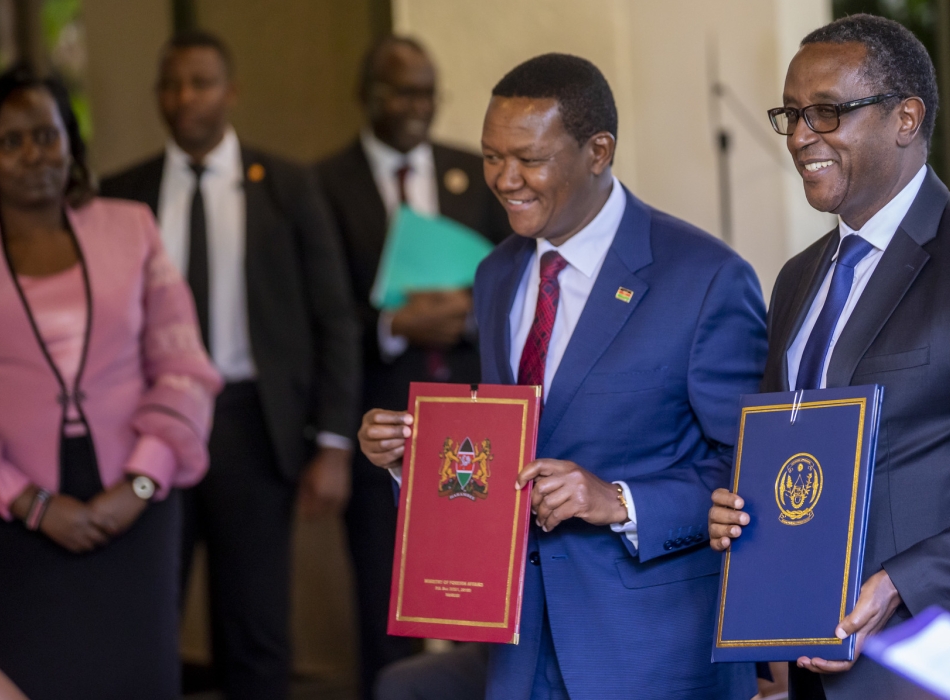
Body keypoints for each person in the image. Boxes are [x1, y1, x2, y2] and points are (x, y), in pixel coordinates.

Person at [707, 14, 950, 699]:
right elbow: (801, 465)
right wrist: (744, 514)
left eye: (827, 112)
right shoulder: (797, 280)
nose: (801, 136)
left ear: (905, 118)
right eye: (792, 114)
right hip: (821, 671)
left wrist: (902, 582)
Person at [359, 53, 767, 700]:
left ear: (598, 151)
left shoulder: (705, 278)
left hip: (654, 652)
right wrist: (412, 459)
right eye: (492, 156)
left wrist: (619, 501)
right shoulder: (496, 275)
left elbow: (753, 472)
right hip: (517, 646)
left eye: (530, 159)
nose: (505, 180)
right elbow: (507, 455)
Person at [99, 31, 360, 700]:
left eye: (201, 82)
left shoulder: (288, 185)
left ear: (231, 92)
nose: (185, 97)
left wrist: (334, 443)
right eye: (171, 84)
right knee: (144, 613)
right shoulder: (122, 195)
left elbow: (334, 318)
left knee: (255, 624)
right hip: (151, 427)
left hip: (252, 425)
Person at [0, 67, 221, 700]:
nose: (34, 154)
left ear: (71, 140)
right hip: (12, 517)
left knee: (139, 678)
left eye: (47, 135)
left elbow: (185, 368)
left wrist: (140, 484)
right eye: (11, 141)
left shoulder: (130, 227)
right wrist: (30, 503)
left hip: (136, 504)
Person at [314, 35, 511, 699]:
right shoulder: (323, 183)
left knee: (480, 600)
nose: (415, 106)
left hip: (478, 420)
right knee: (386, 600)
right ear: (365, 94)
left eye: (426, 93)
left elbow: (517, 277)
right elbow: (319, 312)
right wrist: (393, 325)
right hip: (383, 420)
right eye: (400, 92)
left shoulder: (475, 172)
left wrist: (471, 311)